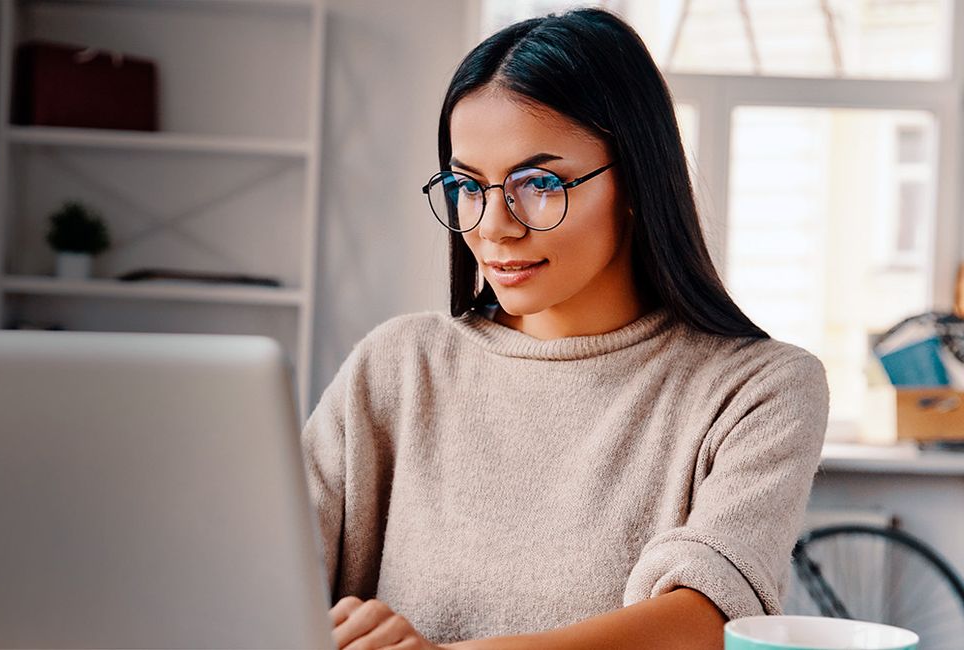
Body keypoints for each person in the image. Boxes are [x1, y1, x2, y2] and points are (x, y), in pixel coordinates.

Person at [301, 8, 830, 650]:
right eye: (467, 186)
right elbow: (263, 575)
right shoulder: (395, 367)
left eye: (538, 183)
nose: (494, 225)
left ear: (635, 179)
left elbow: (702, 621)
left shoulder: (761, 388)